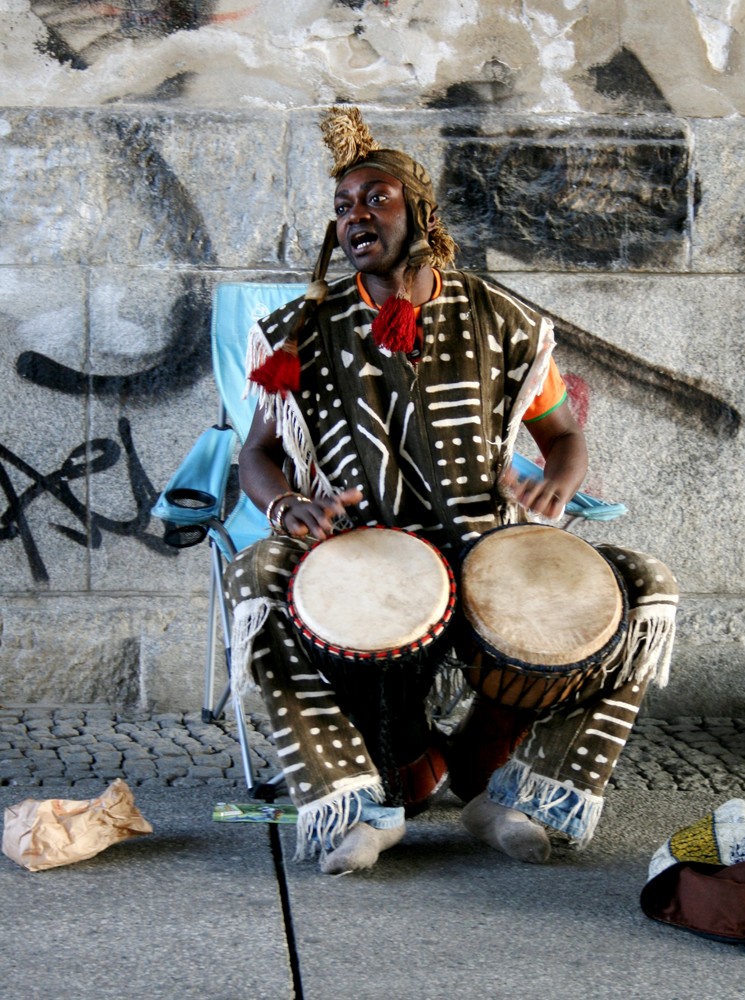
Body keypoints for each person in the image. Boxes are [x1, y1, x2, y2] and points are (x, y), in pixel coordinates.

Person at [223, 107, 678, 874]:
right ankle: (356, 806)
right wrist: (282, 504)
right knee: (256, 577)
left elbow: (563, 438)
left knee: (646, 586)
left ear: (421, 214)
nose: (354, 218)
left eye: (375, 199)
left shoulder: (502, 320)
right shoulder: (299, 330)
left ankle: (523, 795)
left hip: (483, 548)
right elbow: (259, 453)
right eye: (341, 208)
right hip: (362, 557)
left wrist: (556, 490)